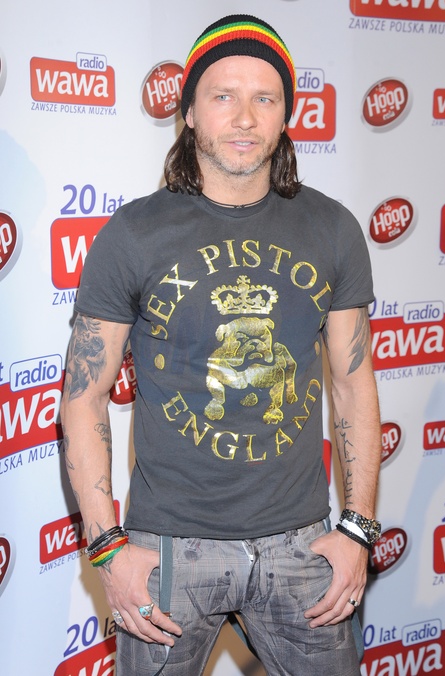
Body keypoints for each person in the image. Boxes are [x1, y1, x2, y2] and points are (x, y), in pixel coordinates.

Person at [60, 14, 382, 676]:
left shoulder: (332, 229)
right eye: (223, 95)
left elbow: (353, 384)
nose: (244, 117)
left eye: (265, 97)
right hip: (169, 551)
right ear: (188, 113)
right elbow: (84, 396)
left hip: (302, 545)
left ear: (286, 115)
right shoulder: (134, 234)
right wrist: (107, 549)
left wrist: (358, 529)